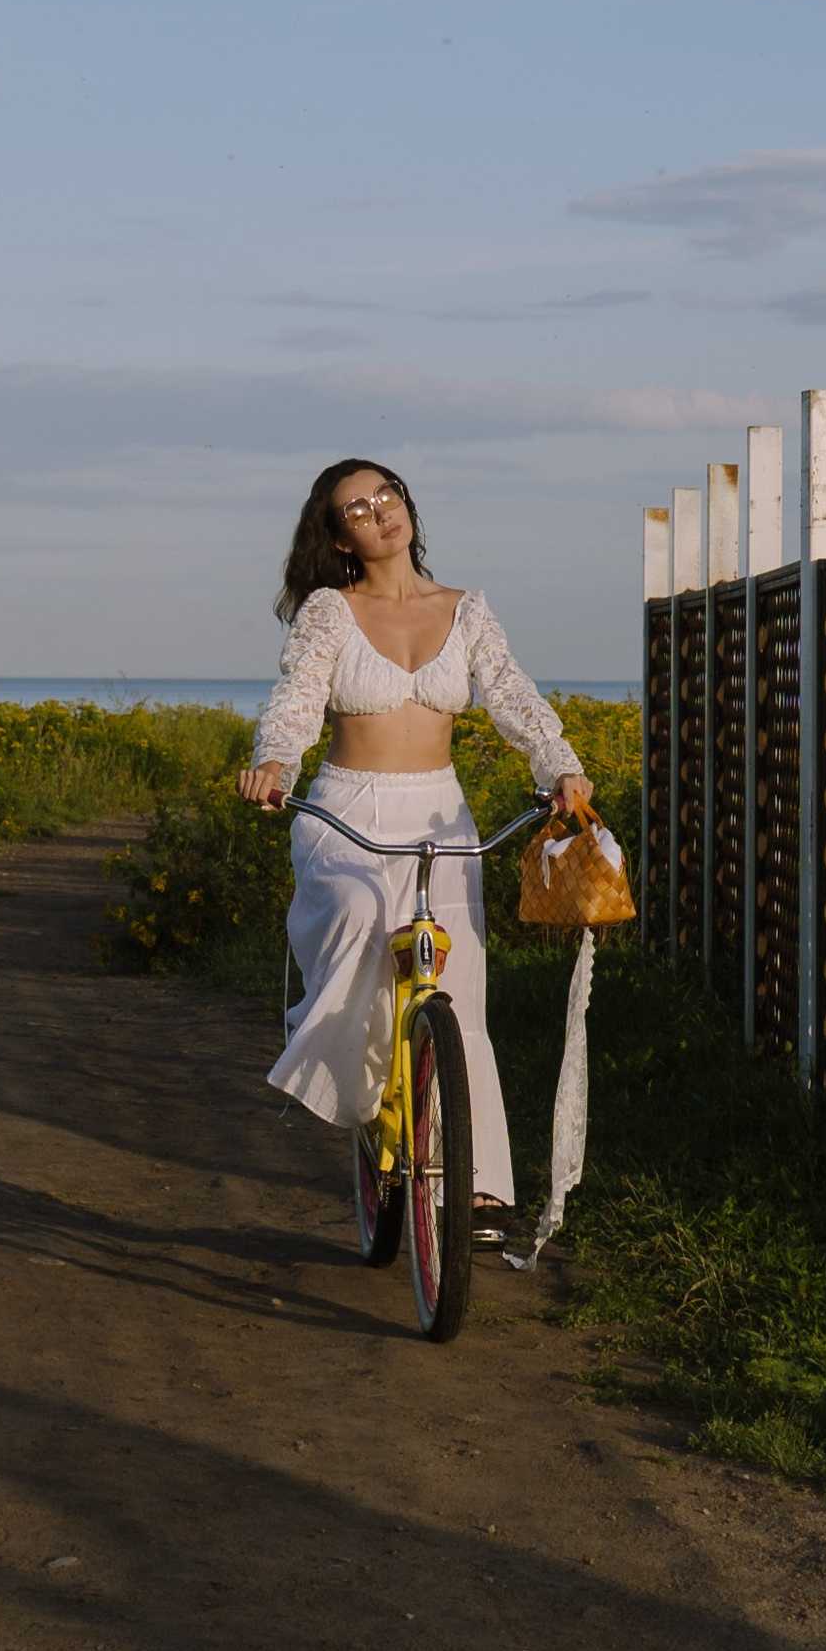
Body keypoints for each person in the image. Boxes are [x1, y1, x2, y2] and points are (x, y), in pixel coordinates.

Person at [238, 460, 593, 1239]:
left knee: (460, 993)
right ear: (339, 535)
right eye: (356, 509)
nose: (378, 513)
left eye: (385, 495)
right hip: (345, 813)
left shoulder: (465, 610)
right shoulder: (330, 612)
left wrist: (558, 764)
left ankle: (481, 1187)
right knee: (363, 913)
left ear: (406, 503)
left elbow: (511, 693)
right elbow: (296, 700)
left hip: (439, 814)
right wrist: (273, 763)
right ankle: (365, 1092)